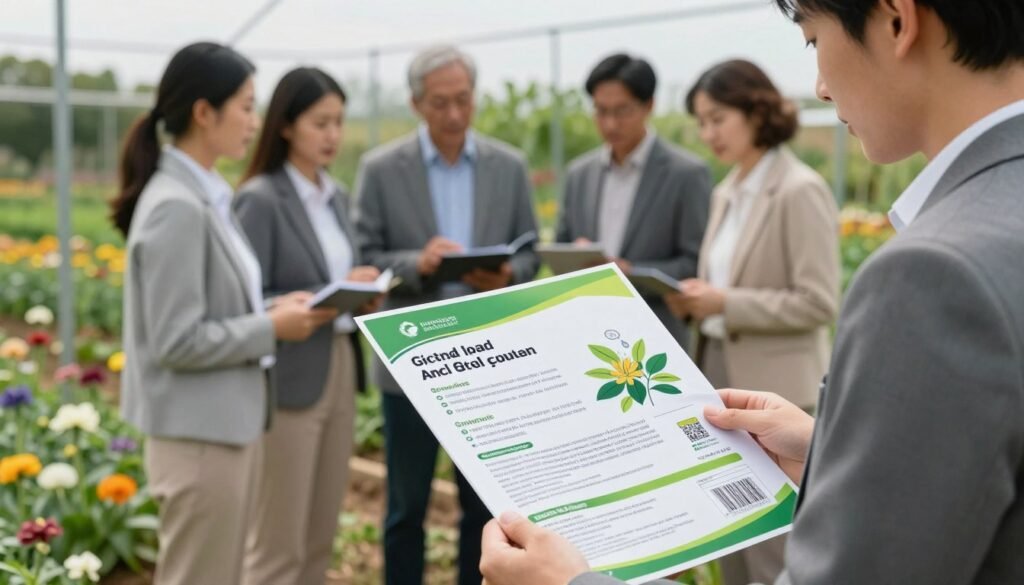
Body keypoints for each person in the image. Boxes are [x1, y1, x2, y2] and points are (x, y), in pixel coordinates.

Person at [479, 0, 1024, 584]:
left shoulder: (933, 274)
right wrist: (826, 447)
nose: (820, 87)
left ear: (897, 20)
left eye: (814, 41)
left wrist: (572, 582)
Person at [112, 43, 335, 585]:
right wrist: (271, 328)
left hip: (222, 433)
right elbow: (176, 340)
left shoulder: (205, 196)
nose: (255, 123)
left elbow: (209, 311)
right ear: (203, 113)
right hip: (199, 442)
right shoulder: (176, 207)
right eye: (246, 107)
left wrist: (270, 308)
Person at [353, 44, 540, 585]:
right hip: (408, 361)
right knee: (405, 506)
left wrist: (507, 275)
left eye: (463, 99)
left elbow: (530, 251)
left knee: (485, 511)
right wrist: (417, 263)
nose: (455, 114)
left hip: (488, 363)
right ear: (416, 103)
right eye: (440, 103)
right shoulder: (381, 169)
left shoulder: (509, 166)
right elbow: (364, 257)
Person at [664, 58, 840, 585]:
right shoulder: (727, 191)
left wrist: (725, 303)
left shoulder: (799, 189)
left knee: (776, 552)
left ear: (756, 111)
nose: (708, 133)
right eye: (701, 122)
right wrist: (698, 303)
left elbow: (818, 302)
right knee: (734, 542)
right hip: (720, 376)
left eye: (718, 118)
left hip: (779, 394)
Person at [233, 66, 381, 585]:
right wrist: (322, 294)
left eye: (339, 122)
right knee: (279, 542)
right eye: (320, 123)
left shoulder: (337, 197)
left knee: (320, 534)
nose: (333, 135)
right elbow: (243, 298)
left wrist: (361, 291)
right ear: (285, 125)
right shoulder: (260, 199)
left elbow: (338, 277)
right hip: (289, 374)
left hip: (339, 366)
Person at [557, 53, 710, 350]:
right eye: (601, 111)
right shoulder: (579, 174)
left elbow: (696, 263)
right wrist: (575, 256)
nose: (610, 123)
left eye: (622, 111)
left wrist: (631, 272)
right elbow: (561, 246)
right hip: (588, 334)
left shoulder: (686, 174)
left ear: (649, 105)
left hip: (658, 336)